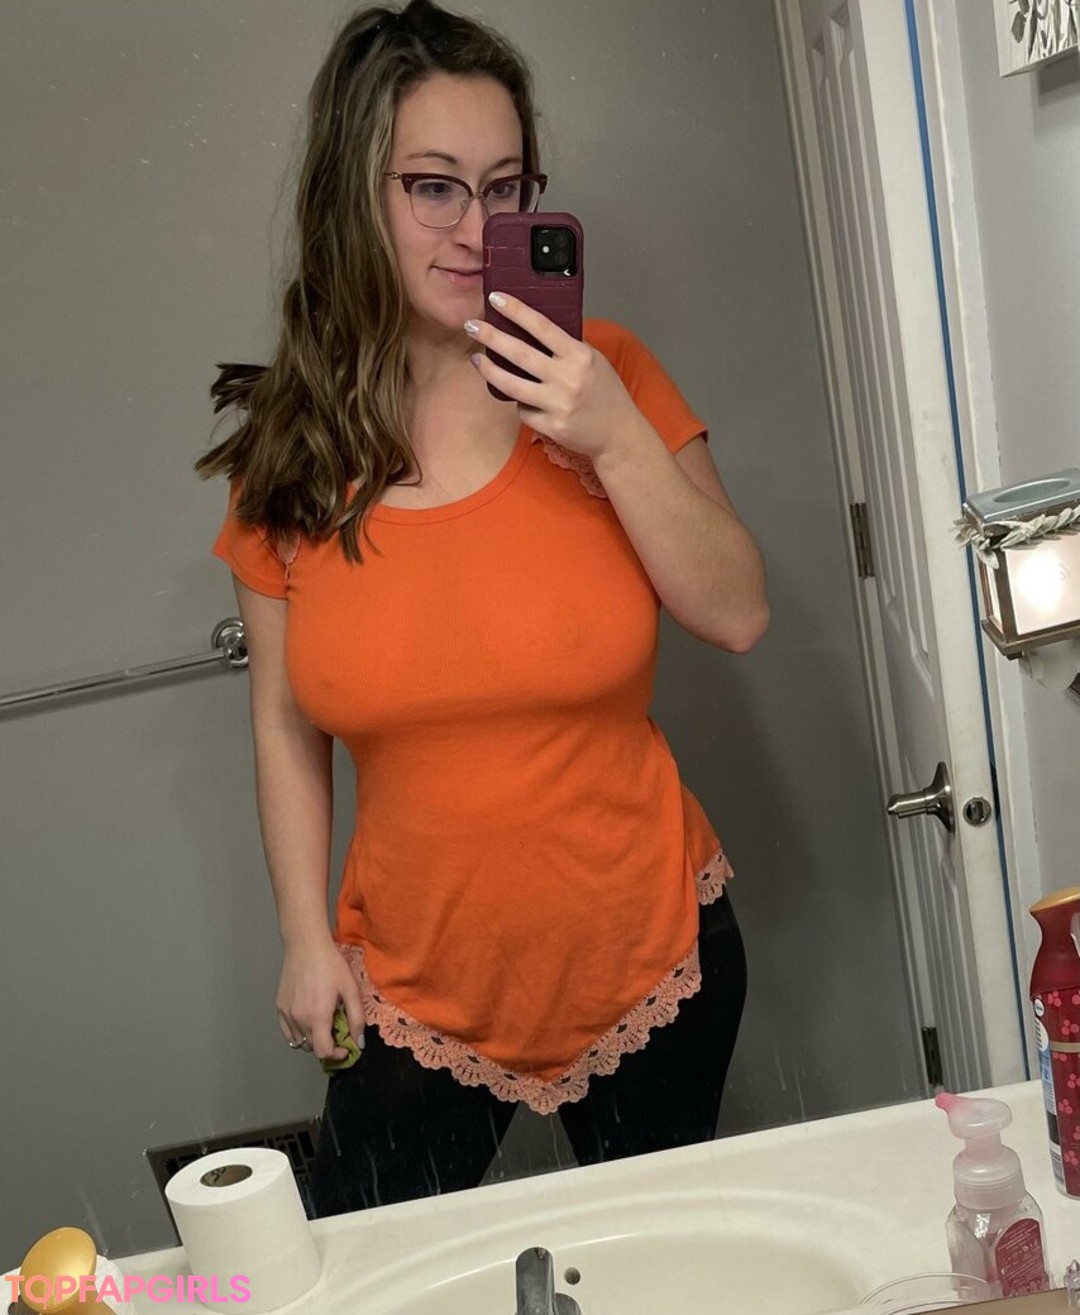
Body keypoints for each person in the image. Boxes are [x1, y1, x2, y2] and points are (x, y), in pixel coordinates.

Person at [198, 0, 768, 1216]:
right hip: (412, 984)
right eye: (434, 187)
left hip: (650, 946)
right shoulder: (292, 453)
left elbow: (738, 612)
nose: (476, 227)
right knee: (380, 1274)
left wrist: (613, 434)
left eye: (506, 188)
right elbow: (285, 724)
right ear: (355, 194)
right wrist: (304, 936)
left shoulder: (605, 373)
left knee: (664, 1272)